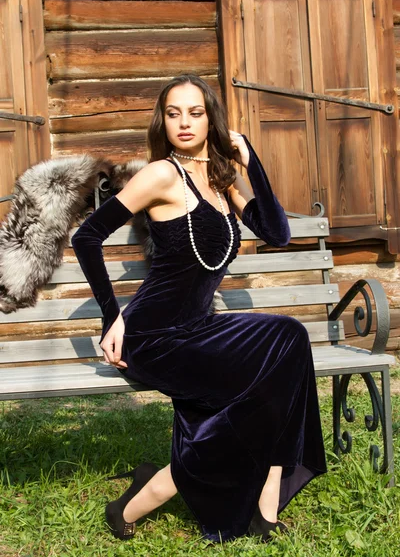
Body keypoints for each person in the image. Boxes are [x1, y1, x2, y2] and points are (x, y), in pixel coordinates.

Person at [71, 73, 327, 544]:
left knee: (288, 340)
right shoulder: (162, 174)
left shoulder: (220, 178)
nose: (185, 123)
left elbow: (278, 233)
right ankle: (134, 502)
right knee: (251, 396)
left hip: (197, 328)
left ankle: (265, 504)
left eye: (195, 112)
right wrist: (113, 316)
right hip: (153, 337)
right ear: (162, 122)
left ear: (211, 118)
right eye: (173, 114)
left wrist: (252, 163)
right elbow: (86, 237)